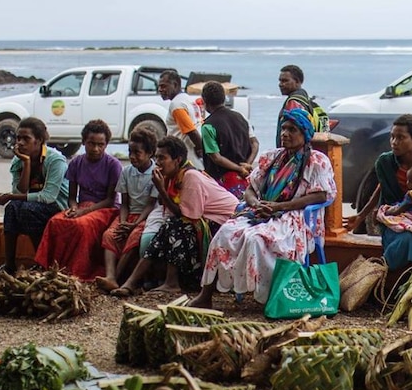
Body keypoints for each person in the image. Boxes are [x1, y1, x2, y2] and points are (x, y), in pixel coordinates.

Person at [190, 108, 337, 308]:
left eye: (292, 130)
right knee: (224, 233)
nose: (285, 133)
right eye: (283, 128)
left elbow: (321, 195)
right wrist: (256, 204)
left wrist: (280, 206)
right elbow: (250, 189)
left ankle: (267, 297)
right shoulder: (272, 158)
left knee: (257, 239)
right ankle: (206, 295)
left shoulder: (317, 161)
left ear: (305, 134)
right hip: (262, 211)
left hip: (294, 215)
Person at [110, 136, 238, 297]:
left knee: (174, 225)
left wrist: (160, 189)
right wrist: (163, 187)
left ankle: (170, 282)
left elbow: (184, 214)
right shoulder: (173, 177)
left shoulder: (191, 177)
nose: (158, 162)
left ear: (177, 160)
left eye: (162, 158)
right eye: (156, 157)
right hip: (204, 219)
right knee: (168, 227)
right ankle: (132, 282)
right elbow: (172, 210)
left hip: (226, 222)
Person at [345, 114, 412, 270]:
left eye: (401, 138)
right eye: (392, 137)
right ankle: (391, 275)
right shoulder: (385, 162)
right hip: (395, 221)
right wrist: (361, 216)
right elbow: (380, 189)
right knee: (407, 239)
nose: (394, 142)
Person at [33, 120, 122, 280]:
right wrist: (73, 208)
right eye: (91, 143)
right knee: (56, 222)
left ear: (106, 145)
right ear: (83, 142)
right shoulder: (76, 163)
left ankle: (77, 271)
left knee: (82, 226)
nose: (95, 149)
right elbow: (72, 197)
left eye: (100, 144)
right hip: (82, 206)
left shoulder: (113, 165)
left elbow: (110, 199)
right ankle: (51, 267)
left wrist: (84, 211)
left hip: (105, 209)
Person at [0, 117, 69, 275]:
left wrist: (10, 196)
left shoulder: (55, 160)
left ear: (39, 140)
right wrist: (26, 163)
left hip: (58, 206)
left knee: (26, 209)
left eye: (26, 139)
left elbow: (49, 197)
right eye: (18, 138)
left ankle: (43, 263)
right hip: (32, 204)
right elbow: (19, 192)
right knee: (12, 208)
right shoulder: (18, 160)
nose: (19, 143)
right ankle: (9, 265)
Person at [95, 128, 159, 292]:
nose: (132, 156)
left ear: (150, 153)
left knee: (134, 238)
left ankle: (116, 277)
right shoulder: (126, 172)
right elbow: (124, 203)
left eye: (137, 153)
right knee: (110, 234)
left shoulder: (156, 174)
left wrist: (134, 224)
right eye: (130, 152)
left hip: (146, 216)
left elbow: (150, 205)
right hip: (128, 214)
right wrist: (123, 222)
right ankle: (110, 276)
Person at [201, 80, 258, 198]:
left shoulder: (208, 126)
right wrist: (247, 164)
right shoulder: (241, 118)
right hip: (244, 179)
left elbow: (216, 157)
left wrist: (239, 168)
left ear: (204, 101)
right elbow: (255, 143)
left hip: (221, 183)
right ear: (224, 98)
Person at [159, 70, 204, 169]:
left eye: (163, 86)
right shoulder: (188, 99)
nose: (160, 90)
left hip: (186, 158)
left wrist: (200, 149)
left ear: (175, 85)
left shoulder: (177, 105)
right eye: (159, 86)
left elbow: (192, 131)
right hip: (192, 156)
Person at [275, 64, 314, 146]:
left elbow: (293, 134)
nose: (280, 84)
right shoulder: (305, 98)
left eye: (285, 81)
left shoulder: (294, 103)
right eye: (280, 81)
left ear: (297, 82)